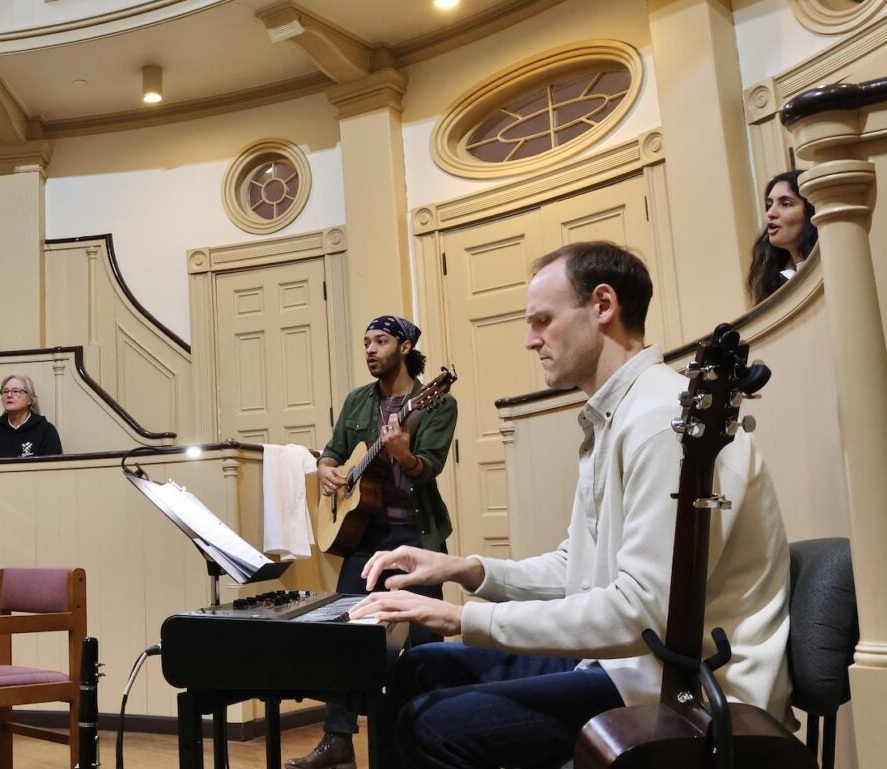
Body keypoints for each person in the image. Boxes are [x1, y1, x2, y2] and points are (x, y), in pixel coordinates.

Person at [348, 241, 791, 769]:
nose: (529, 340)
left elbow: (642, 613)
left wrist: (461, 618)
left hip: (680, 686)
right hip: (625, 664)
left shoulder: (656, 422)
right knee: (415, 668)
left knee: (434, 725)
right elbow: (577, 567)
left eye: (542, 320)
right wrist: (464, 568)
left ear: (603, 305)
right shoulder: (616, 416)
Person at [286, 315, 456, 769]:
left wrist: (403, 453)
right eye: (366, 343)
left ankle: (420, 742)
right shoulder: (358, 401)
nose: (370, 350)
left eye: (380, 341)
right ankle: (338, 741)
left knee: (421, 641)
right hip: (364, 536)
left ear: (404, 347)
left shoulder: (435, 402)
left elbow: (429, 467)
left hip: (414, 536)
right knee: (346, 637)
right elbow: (333, 451)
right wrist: (326, 469)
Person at [745, 170, 818, 305]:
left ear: (811, 211)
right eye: (769, 205)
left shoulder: (826, 268)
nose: (770, 213)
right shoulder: (774, 279)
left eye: (785, 204)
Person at [0, 375, 62, 459]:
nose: (9, 395)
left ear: (30, 399)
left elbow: (53, 469)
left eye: (16, 391)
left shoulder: (46, 431)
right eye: (5, 391)